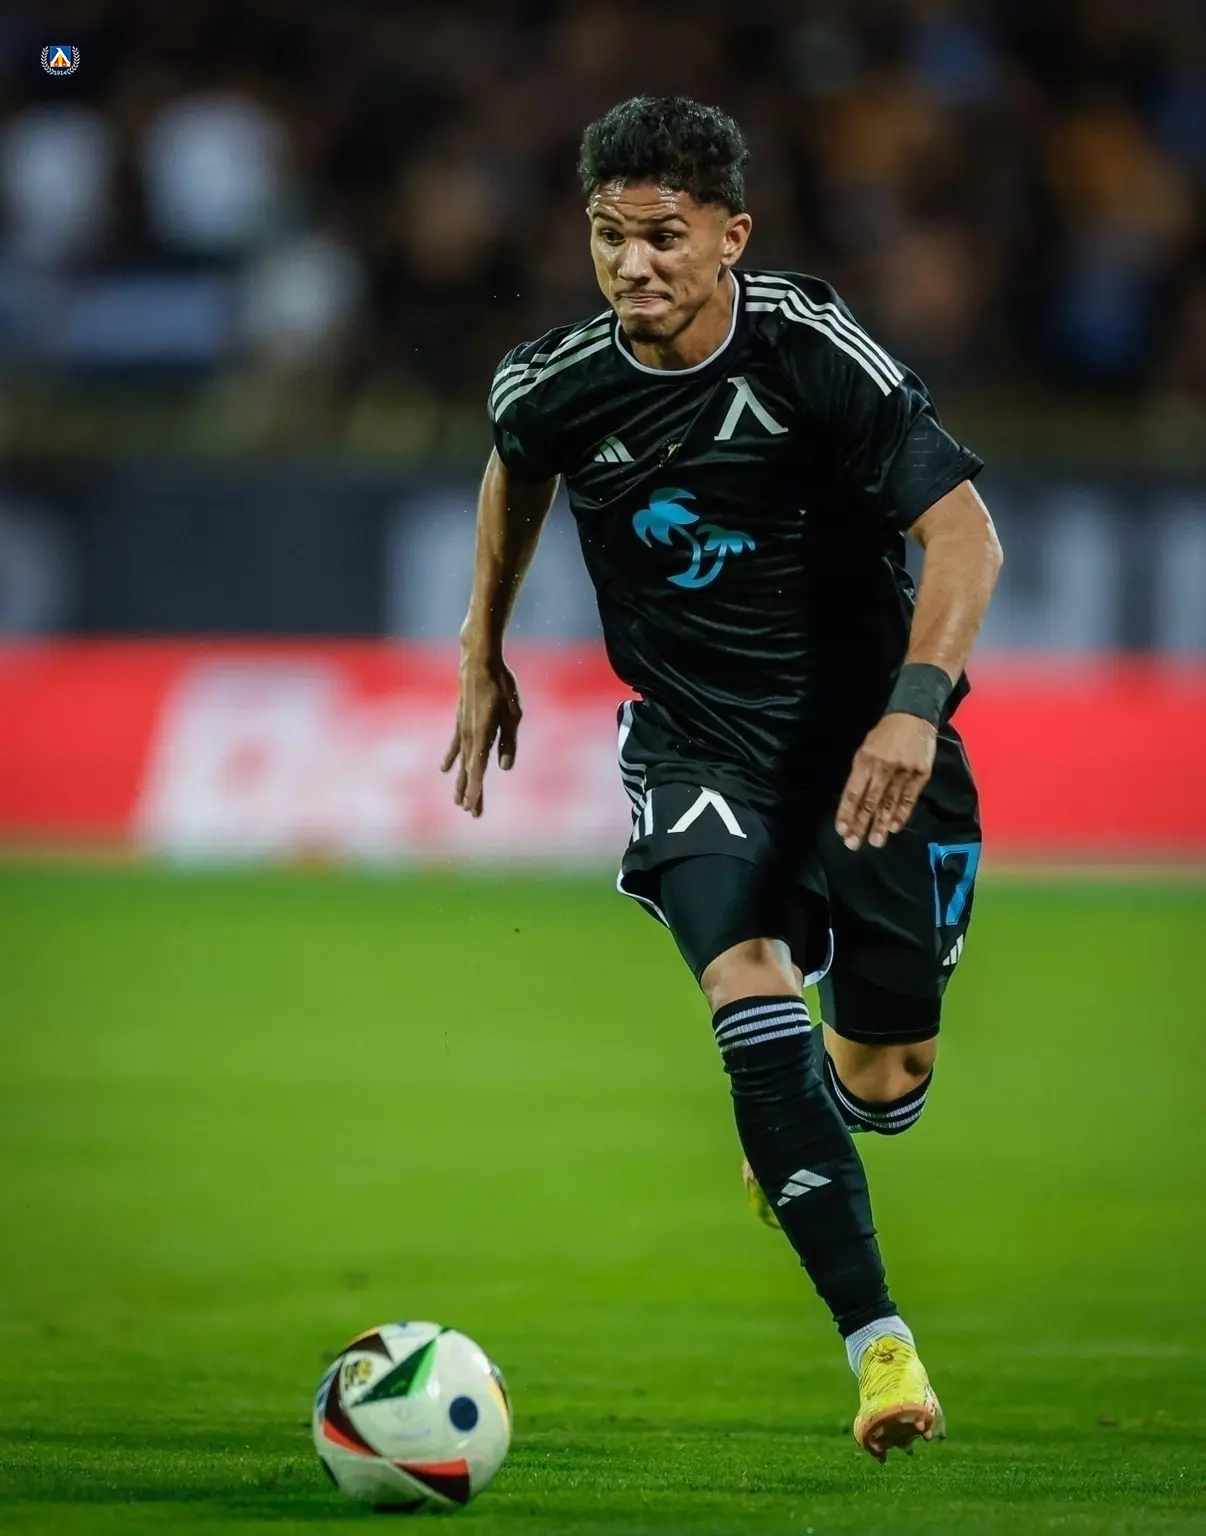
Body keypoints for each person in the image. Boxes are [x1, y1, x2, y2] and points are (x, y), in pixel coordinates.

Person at [442, 95, 1002, 1461]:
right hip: (695, 742)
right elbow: (517, 468)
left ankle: (793, 1115)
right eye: (608, 237)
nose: (631, 265)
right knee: (747, 990)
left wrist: (912, 711)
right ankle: (880, 1354)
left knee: (886, 1078)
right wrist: (480, 646)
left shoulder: (809, 351)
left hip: (866, 744)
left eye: (663, 237)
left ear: (730, 237)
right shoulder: (552, 383)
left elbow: (965, 537)